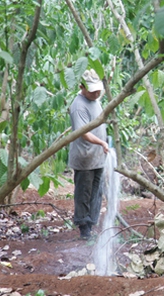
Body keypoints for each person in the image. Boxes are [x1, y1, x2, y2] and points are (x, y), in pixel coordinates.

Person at [68, 69, 109, 240]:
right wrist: (101, 142)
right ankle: (84, 228)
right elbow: (82, 132)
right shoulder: (78, 106)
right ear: (82, 87)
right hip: (84, 158)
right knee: (84, 193)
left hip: (98, 157)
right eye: (92, 90)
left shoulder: (96, 99)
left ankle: (91, 224)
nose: (96, 93)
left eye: (98, 90)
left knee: (96, 193)